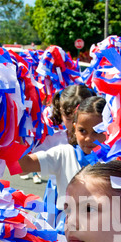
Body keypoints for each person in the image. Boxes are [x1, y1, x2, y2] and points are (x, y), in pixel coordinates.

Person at [19, 96, 107, 230]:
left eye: (97, 132)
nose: (89, 138)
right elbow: (23, 165)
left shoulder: (115, 162)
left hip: (102, 234)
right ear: (74, 128)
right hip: (66, 234)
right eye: (82, 131)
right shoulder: (64, 154)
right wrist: (18, 125)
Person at [20, 84, 96, 182]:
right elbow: (23, 169)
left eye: (79, 119)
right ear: (61, 113)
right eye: (68, 119)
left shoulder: (104, 141)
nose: (74, 124)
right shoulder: (56, 141)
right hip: (61, 195)